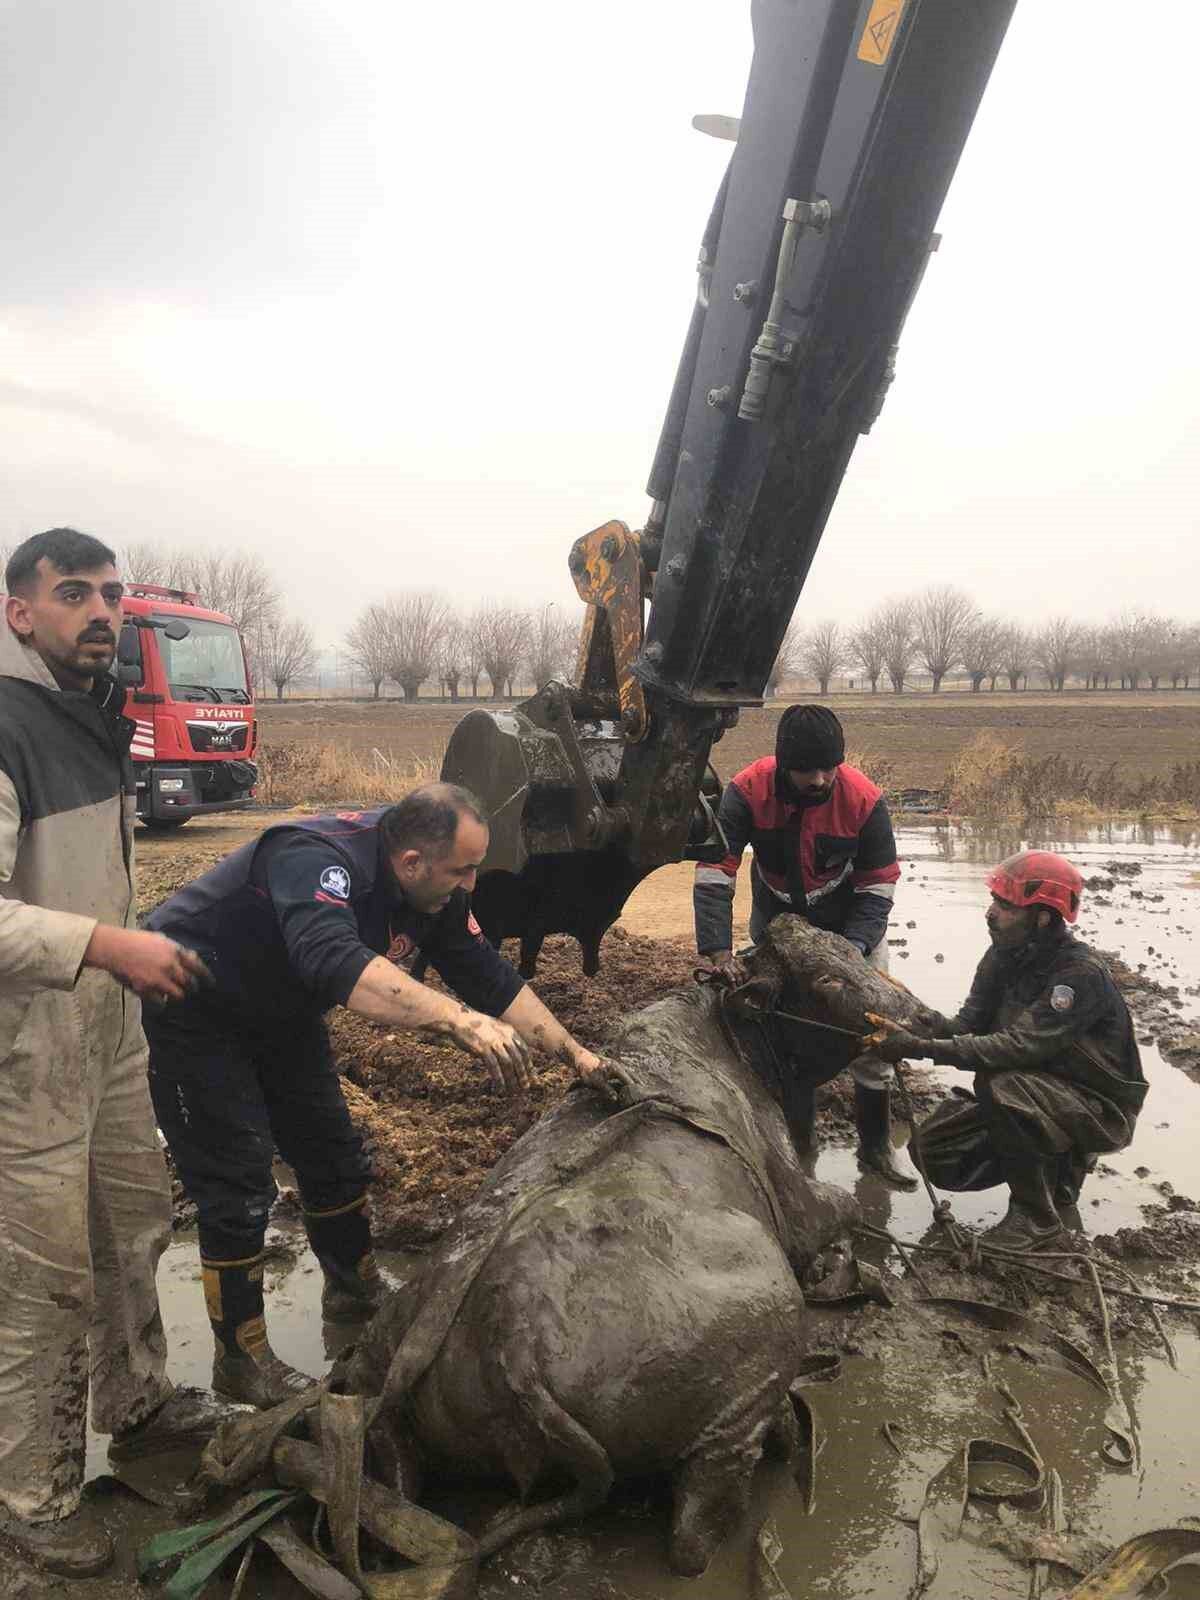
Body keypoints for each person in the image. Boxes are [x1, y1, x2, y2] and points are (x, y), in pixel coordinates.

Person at [144, 782, 605, 1408]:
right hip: (196, 999)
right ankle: (240, 1356)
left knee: (332, 1151)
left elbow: (486, 973)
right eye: (463, 870)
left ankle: (353, 1290)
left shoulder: (429, 884)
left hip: (283, 1008)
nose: (470, 884)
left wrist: (575, 1054)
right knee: (238, 1181)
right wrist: (458, 1021)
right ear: (412, 863)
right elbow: (334, 962)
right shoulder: (317, 860)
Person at [0, 529, 239, 1578]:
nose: (101, 611)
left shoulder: (90, 706)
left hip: (108, 1028)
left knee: (136, 1220)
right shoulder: (5, 721)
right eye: (72, 594)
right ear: (20, 611)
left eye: (110, 593)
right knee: (43, 1275)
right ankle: (32, 1493)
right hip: (27, 1046)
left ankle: (137, 1406)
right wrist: (108, 944)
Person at [867, 851, 1147, 1250]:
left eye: (1006, 905)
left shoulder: (1078, 976)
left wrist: (922, 1048)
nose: (991, 913)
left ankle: (1036, 1219)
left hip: (1099, 1107)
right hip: (1040, 1093)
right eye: (994, 901)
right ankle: (1057, 1172)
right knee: (932, 1150)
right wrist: (919, 1027)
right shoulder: (1001, 956)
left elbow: (1019, 1047)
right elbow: (967, 1027)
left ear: (1043, 917)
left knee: (1003, 1083)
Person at [694, 704, 912, 1185]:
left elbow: (878, 888)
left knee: (873, 1035)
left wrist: (850, 954)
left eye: (827, 768)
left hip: (852, 931)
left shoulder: (865, 801)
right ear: (782, 765)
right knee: (784, 1037)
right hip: (778, 929)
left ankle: (875, 1149)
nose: (818, 779)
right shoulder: (746, 792)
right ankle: (801, 1152)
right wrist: (719, 953)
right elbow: (715, 872)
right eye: (806, 770)